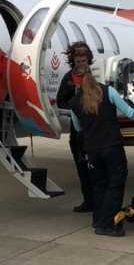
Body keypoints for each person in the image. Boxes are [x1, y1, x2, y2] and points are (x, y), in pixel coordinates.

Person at [69, 68, 134, 237]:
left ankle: (99, 219)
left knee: (98, 184)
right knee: (115, 183)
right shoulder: (108, 91)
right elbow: (130, 113)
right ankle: (107, 224)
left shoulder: (74, 102)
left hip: (92, 149)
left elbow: (78, 127)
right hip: (112, 146)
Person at [56, 42, 95, 212]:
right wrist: (76, 100)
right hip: (78, 131)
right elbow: (60, 101)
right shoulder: (68, 79)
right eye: (78, 61)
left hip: (95, 129)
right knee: (82, 168)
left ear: (88, 60)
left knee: (97, 169)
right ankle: (89, 201)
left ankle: (99, 200)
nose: (81, 64)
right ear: (73, 61)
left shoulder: (96, 75)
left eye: (84, 61)